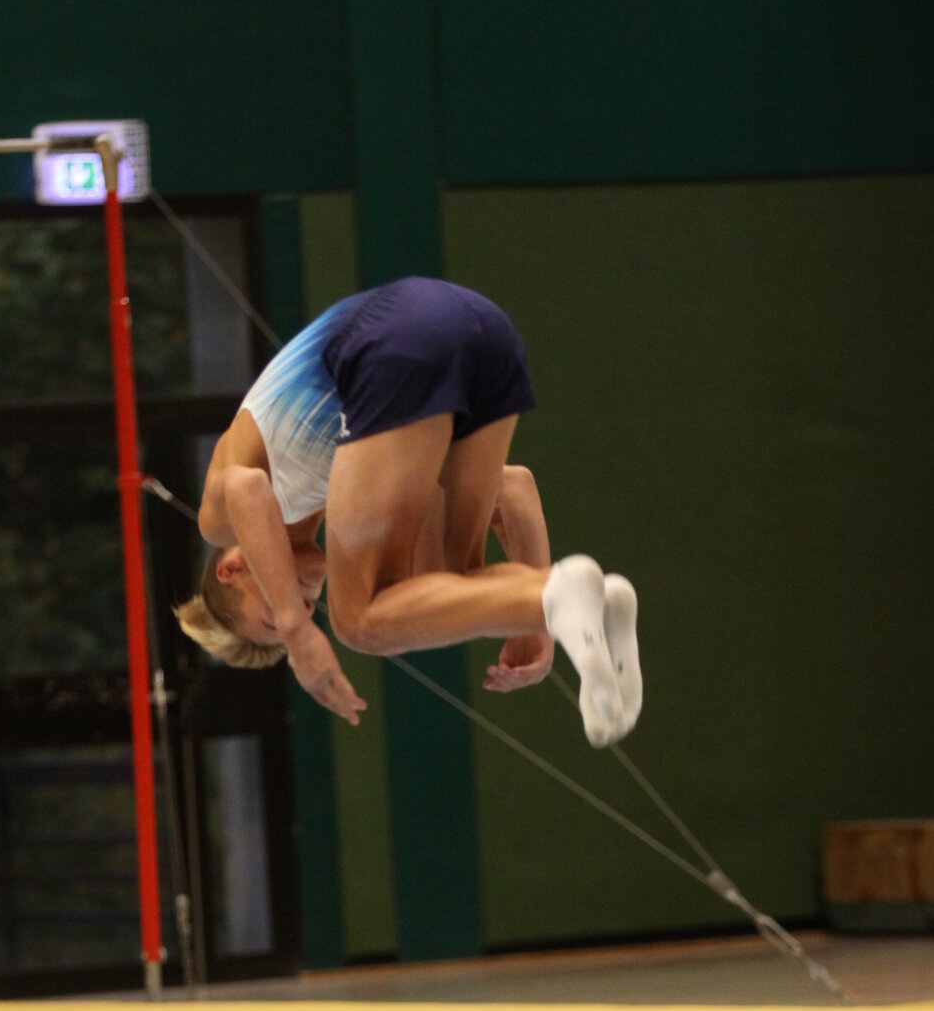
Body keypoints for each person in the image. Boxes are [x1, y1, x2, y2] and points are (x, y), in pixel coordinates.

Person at [175, 275, 641, 746]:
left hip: (397, 335)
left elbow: (248, 488)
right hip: (487, 331)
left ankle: (558, 599)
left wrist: (296, 633)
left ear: (232, 568)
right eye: (297, 615)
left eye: (271, 617)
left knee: (357, 621)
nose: (304, 608)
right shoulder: (348, 485)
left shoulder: (220, 523)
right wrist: (531, 621)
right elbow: (514, 488)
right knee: (446, 583)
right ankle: (595, 603)